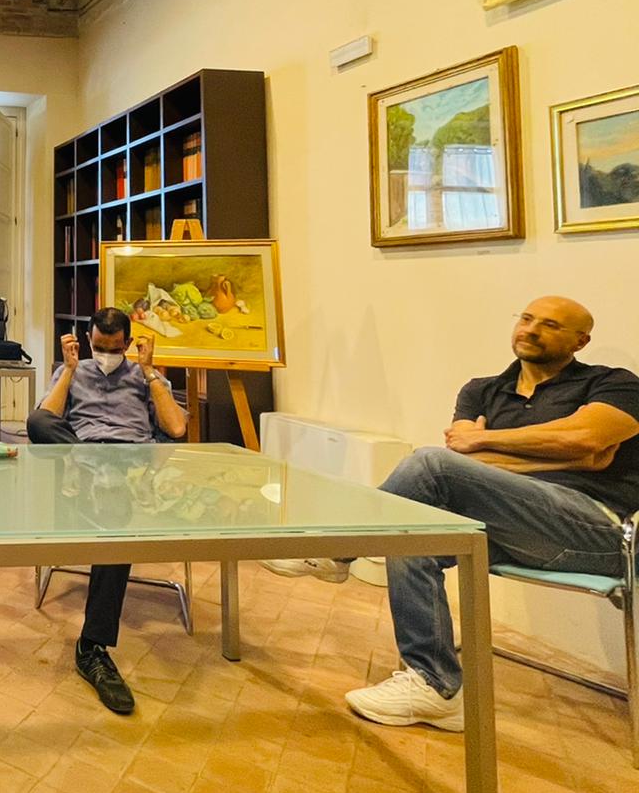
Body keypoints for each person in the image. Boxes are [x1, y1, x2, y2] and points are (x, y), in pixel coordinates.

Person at [267, 296, 639, 730]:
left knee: (429, 464)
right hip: (512, 529)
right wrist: (558, 452)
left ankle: (337, 550)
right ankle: (435, 686)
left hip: (594, 531)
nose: (532, 329)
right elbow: (469, 454)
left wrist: (487, 441)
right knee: (412, 532)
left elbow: (586, 442)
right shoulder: (482, 389)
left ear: (580, 341)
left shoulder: (613, 383)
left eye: (551, 325)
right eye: (526, 318)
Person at [25, 306, 187, 715]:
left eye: (114, 349)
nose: (106, 355)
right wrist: (68, 369)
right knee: (37, 422)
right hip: (81, 464)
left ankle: (92, 646)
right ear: (88, 340)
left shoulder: (144, 376)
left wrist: (149, 372)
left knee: (115, 530)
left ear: (128, 344)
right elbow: (44, 419)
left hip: (130, 468)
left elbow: (176, 428)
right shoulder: (76, 371)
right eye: (99, 347)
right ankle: (91, 463)